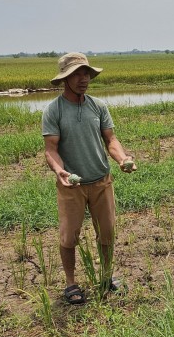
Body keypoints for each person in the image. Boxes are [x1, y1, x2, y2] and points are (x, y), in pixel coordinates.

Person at [41, 52, 137, 305]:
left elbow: (110, 139)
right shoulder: (54, 111)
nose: (83, 79)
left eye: (86, 73)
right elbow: (51, 148)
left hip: (101, 181)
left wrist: (122, 159)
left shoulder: (98, 106)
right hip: (72, 185)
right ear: (65, 79)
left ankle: (106, 277)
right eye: (77, 74)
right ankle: (71, 283)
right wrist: (60, 171)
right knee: (69, 236)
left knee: (107, 232)